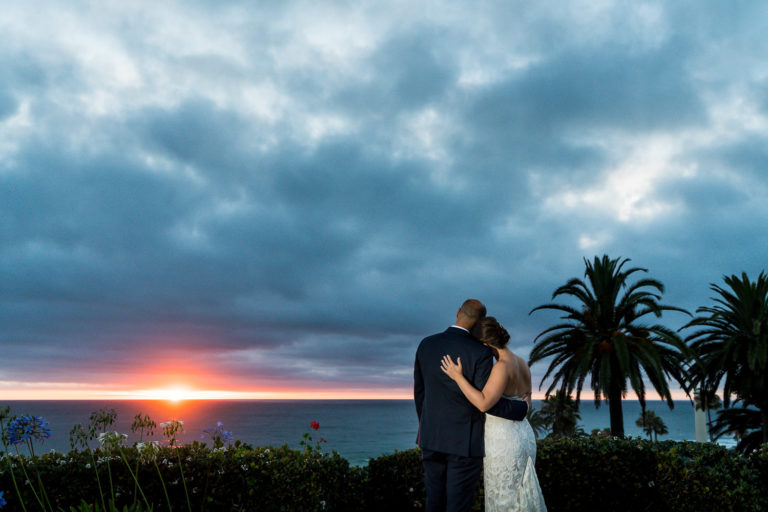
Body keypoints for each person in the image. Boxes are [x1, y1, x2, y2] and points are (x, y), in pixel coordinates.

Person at [414, 299, 530, 512]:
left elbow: (419, 393)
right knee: (458, 506)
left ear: (458, 312)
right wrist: (521, 408)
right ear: (480, 322)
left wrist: (428, 427)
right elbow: (487, 401)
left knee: (434, 502)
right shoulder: (480, 351)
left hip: (431, 438)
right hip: (464, 444)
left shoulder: (426, 344)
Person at [441, 316, 547, 512]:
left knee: (504, 497)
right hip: (525, 435)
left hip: (504, 440)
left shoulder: (501, 367)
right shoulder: (522, 363)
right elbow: (528, 402)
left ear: (485, 344)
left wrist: (457, 377)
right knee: (521, 491)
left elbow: (483, 403)